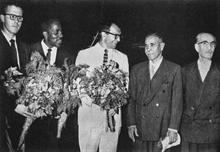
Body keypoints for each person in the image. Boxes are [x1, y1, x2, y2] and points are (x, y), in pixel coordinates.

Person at [16, 18, 75, 152]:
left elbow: (70, 86)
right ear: (45, 34)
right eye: (56, 32)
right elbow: (20, 82)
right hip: (31, 120)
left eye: (61, 32)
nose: (61, 35)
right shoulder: (27, 51)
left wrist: (66, 111)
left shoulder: (68, 56)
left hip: (56, 122)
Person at [75, 22, 129, 152]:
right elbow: (77, 86)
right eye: (116, 36)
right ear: (104, 35)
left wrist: (113, 102)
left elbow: (125, 87)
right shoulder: (84, 54)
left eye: (120, 36)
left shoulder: (122, 58)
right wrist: (96, 100)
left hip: (112, 119)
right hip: (89, 117)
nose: (119, 39)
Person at [127, 33, 183, 152]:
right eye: (146, 45)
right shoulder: (137, 69)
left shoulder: (174, 69)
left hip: (163, 128)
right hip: (140, 128)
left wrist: (173, 128)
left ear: (161, 46)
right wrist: (131, 124)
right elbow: (131, 99)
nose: (148, 49)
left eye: (152, 45)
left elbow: (177, 101)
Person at [180, 33, 220, 152]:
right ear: (197, 47)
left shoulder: (218, 72)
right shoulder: (185, 71)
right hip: (189, 131)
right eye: (205, 43)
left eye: (213, 44)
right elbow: (178, 102)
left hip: (211, 132)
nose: (210, 48)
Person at [0, 2, 30, 151]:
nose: (16, 21)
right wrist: (13, 105)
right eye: (12, 17)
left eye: (20, 18)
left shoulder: (23, 47)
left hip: (20, 119)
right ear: (2, 18)